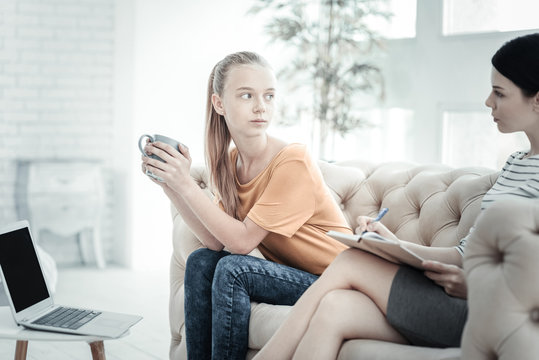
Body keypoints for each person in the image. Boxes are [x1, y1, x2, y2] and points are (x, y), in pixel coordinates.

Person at [253, 32, 539, 360]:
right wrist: (394, 245)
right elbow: (464, 254)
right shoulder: (517, 164)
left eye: (499, 93)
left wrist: (482, 286)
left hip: (486, 312)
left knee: (350, 261)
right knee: (335, 308)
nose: (488, 101)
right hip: (458, 297)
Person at [140, 51, 351, 360]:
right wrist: (172, 187)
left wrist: (186, 183)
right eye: (247, 95)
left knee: (234, 269)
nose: (260, 106)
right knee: (201, 261)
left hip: (334, 280)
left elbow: (240, 243)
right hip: (291, 274)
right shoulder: (230, 162)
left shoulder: (293, 160)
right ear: (219, 103)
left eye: (268, 96)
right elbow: (214, 240)